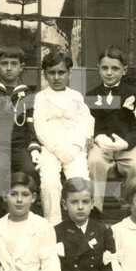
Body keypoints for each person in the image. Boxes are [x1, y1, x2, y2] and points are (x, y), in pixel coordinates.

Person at [33, 50, 93, 225]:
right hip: (50, 147)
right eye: (52, 73)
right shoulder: (41, 97)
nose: (57, 77)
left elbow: (87, 120)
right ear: (45, 75)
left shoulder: (75, 96)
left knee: (80, 180)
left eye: (61, 72)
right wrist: (57, 149)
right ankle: (53, 223)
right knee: (49, 182)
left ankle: (80, 221)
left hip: (74, 146)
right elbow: (40, 127)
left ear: (69, 73)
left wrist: (77, 146)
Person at [86, 46, 136, 216]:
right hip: (102, 145)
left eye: (115, 68)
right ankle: (94, 210)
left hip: (126, 144)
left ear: (124, 70)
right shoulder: (92, 94)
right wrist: (98, 137)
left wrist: (126, 143)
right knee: (94, 162)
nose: (109, 72)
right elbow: (90, 123)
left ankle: (135, 209)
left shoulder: (134, 94)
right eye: (104, 68)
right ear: (98, 68)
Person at [0, 44, 40, 204]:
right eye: (4, 63)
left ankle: (28, 210)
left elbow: (30, 124)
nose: (9, 68)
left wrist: (34, 147)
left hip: (20, 146)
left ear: (21, 67)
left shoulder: (27, 94)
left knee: (29, 170)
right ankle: (2, 213)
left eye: (14, 64)